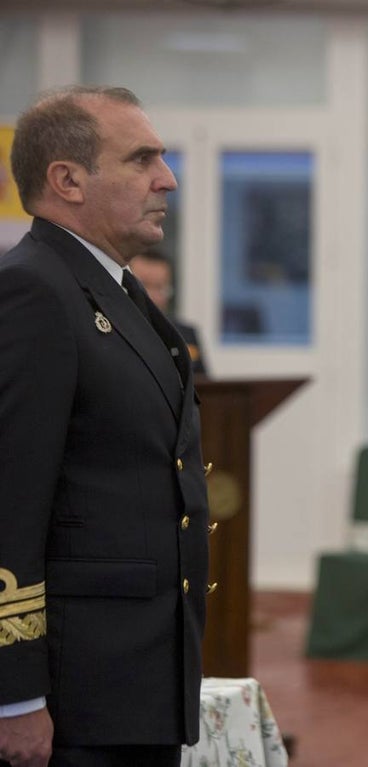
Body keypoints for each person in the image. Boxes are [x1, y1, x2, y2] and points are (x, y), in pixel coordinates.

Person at [0, 85, 210, 767]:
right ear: (67, 180)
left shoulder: (109, 288)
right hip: (75, 695)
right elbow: (11, 504)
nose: (167, 179)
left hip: (135, 683)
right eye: (142, 159)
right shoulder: (34, 290)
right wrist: (16, 694)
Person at [130, 249, 209, 375]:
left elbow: (204, 387)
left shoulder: (185, 335)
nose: (151, 296)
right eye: (143, 285)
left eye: (159, 287)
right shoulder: (115, 331)